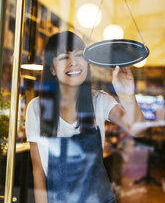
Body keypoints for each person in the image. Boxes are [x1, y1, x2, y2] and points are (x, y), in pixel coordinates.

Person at [26, 31, 146, 203]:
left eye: (79, 55)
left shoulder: (99, 100)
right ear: (51, 69)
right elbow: (38, 172)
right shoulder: (37, 109)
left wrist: (127, 96)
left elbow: (139, 131)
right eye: (63, 58)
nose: (73, 62)